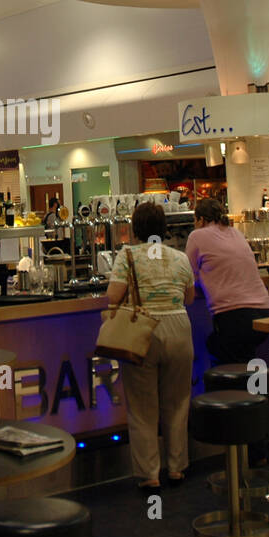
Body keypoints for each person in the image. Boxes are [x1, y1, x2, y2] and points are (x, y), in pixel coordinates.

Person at [104, 202, 195, 490]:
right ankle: (177, 467)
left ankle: (150, 474)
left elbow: (113, 295)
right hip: (180, 328)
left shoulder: (127, 255)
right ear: (164, 228)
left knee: (143, 406)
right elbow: (190, 297)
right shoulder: (179, 257)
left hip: (144, 330)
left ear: (135, 228)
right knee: (178, 401)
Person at [186, 196, 269, 370]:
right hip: (266, 313)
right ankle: (255, 393)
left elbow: (187, 276)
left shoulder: (197, 236)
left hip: (235, 316)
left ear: (201, 220)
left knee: (220, 351)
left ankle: (234, 394)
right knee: (242, 358)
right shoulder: (236, 232)